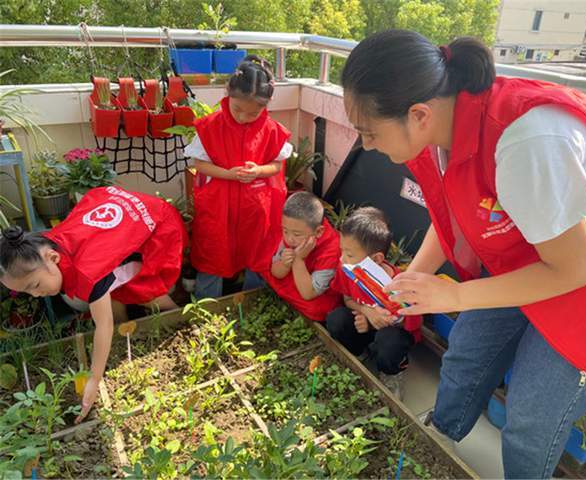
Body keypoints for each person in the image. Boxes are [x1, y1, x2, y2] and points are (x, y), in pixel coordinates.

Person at [340, 29, 586, 478]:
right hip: (531, 248)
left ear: (418, 114)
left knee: (529, 416)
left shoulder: (525, 140)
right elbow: (455, 215)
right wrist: (407, 284)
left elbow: (575, 268)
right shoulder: (439, 126)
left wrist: (455, 297)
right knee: (465, 355)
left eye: (368, 132)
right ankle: (438, 446)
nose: (365, 145)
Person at [0, 186, 186, 423]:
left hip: (157, 224)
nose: (35, 295)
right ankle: (126, 330)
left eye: (34, 285)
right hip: (121, 214)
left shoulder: (88, 272)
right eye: (26, 291)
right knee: (112, 291)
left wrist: (95, 378)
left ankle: (179, 319)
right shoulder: (41, 244)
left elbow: (103, 325)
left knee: (146, 291)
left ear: (53, 258)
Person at [185, 55, 292, 299]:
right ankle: (206, 306)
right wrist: (228, 174)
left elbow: (277, 164)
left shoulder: (272, 131)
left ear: (266, 106)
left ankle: (254, 302)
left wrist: (258, 171)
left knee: (258, 254)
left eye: (253, 113)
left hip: (257, 209)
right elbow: (200, 163)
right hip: (218, 206)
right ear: (227, 94)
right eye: (237, 109)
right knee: (213, 253)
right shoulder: (210, 127)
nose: (243, 117)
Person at [327, 207, 422, 398]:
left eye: (350, 255)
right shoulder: (347, 268)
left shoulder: (400, 284)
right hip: (363, 326)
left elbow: (409, 325)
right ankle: (360, 353)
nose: (342, 259)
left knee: (390, 343)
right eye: (342, 251)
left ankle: (392, 372)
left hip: (391, 333)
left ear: (377, 259)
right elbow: (347, 299)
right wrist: (365, 311)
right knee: (336, 319)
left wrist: (381, 319)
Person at [262, 191, 341, 321]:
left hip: (313, 291)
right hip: (299, 279)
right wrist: (284, 264)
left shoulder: (332, 250)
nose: (289, 239)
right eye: (285, 231)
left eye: (297, 234)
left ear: (319, 231)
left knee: (315, 308)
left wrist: (298, 260)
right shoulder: (294, 230)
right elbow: (275, 272)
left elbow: (308, 293)